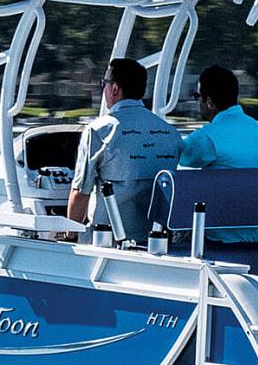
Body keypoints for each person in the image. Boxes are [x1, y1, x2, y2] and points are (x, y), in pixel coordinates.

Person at [67, 58, 180, 244]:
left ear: (114, 89)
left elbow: (79, 194)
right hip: (156, 241)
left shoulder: (98, 131)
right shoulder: (171, 133)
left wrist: (69, 236)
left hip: (108, 241)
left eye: (104, 83)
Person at [178, 65, 258, 243]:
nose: (197, 101)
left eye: (197, 96)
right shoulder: (255, 127)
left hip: (223, 236)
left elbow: (178, 155)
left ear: (209, 102)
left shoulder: (208, 137)